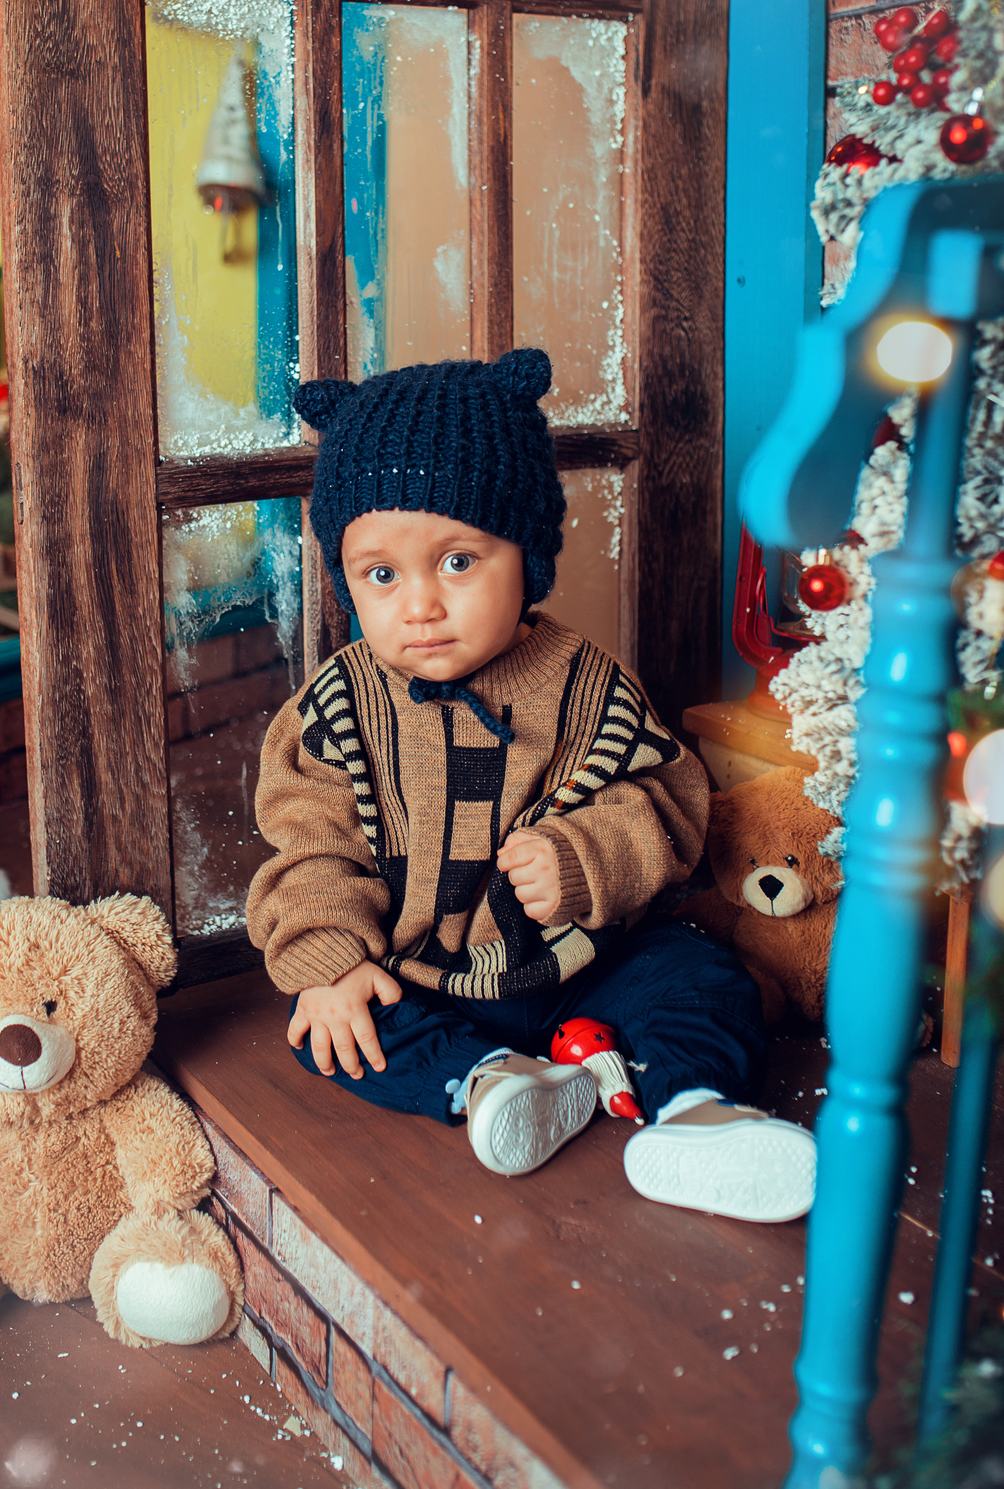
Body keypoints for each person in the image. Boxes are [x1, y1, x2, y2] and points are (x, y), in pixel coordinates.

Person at [246, 350, 816, 1222]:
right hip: (420, 974)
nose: (420, 605)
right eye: (381, 575)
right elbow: (311, 846)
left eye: (458, 561)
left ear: (528, 557)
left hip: (583, 962)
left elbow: (665, 799)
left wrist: (584, 858)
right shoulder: (337, 708)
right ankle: (495, 1085)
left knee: (703, 976)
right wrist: (331, 961)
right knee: (331, 1026)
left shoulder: (586, 683)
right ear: (346, 577)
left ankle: (699, 1113)